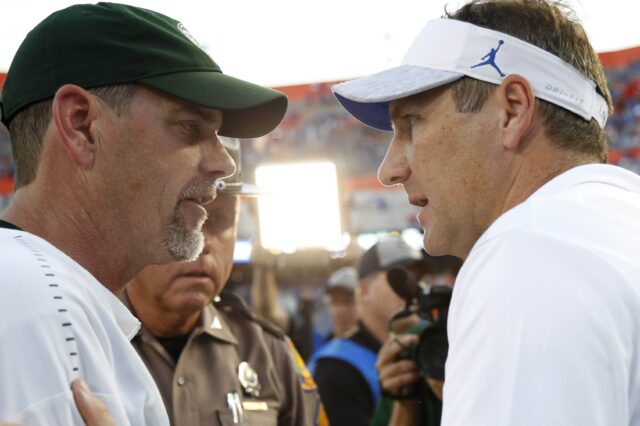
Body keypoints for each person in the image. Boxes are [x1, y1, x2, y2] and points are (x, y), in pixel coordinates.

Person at [332, 1, 640, 425]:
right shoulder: (619, 220)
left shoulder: (527, 252)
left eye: (412, 124)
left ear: (512, 110)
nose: (389, 170)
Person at [0, 3, 286, 424]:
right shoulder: (37, 305)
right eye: (190, 127)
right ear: (80, 125)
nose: (224, 163)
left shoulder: (50, 295)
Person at [122, 138, 326, 426]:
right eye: (179, 219)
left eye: (218, 221)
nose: (201, 242)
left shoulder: (270, 354)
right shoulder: (84, 344)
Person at [309, 238, 423, 426]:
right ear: (364, 291)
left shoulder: (430, 347)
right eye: (400, 281)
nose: (415, 289)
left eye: (418, 280)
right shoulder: (335, 367)